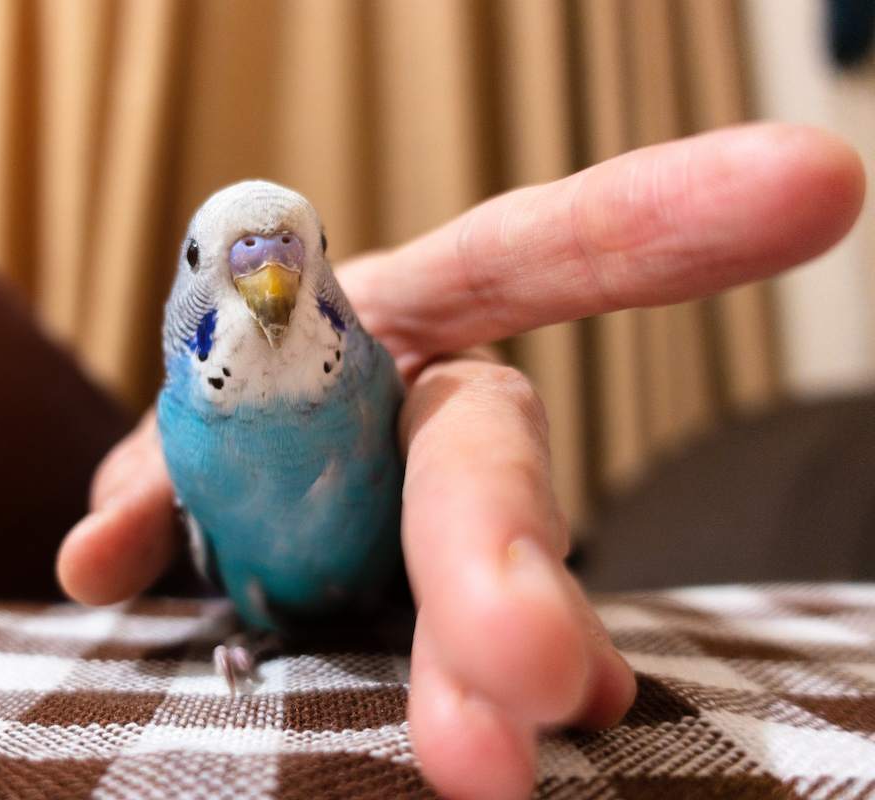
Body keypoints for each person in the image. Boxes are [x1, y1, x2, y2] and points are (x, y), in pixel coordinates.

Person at [54, 123, 866, 800]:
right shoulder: (177, 434)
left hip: (385, 587)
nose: (272, 283)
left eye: (305, 254)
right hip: (266, 615)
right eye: (217, 261)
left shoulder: (380, 380)